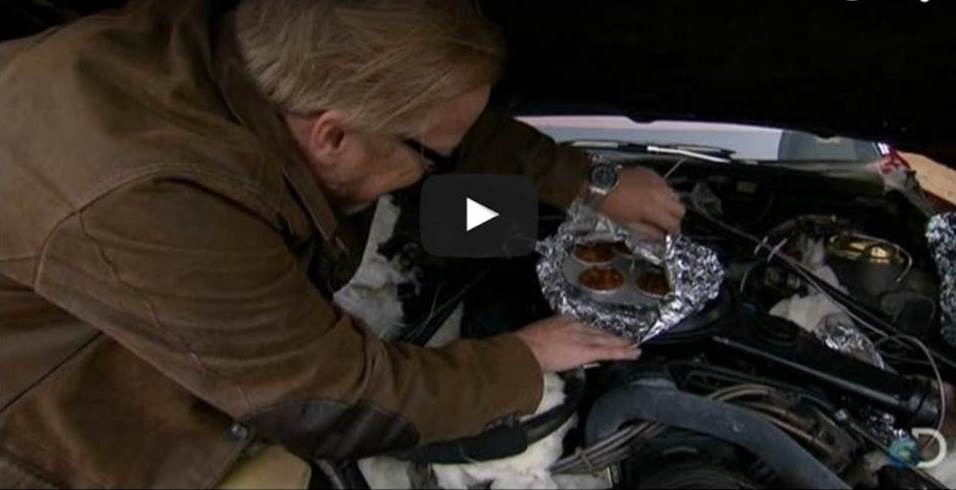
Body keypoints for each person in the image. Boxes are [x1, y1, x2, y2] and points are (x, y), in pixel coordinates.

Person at [0, 0, 685, 487]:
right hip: (40, 419)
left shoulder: (241, 45)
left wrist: (589, 181)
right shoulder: (156, 200)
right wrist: (524, 357)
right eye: (425, 156)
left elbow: (437, 118)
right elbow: (330, 401)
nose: (434, 167)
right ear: (331, 135)